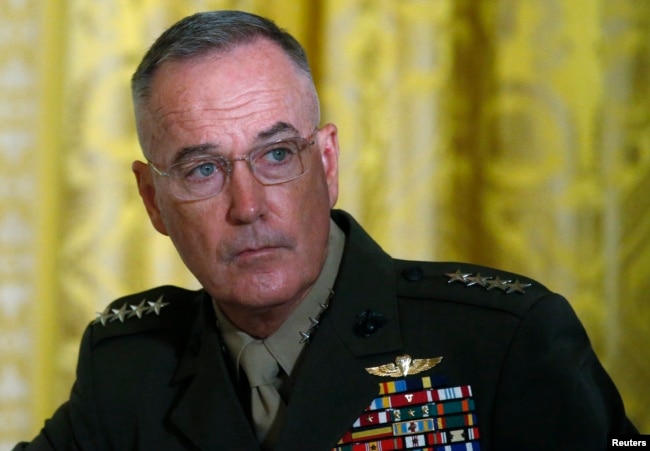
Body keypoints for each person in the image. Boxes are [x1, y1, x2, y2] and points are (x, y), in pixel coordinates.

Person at [15, 10, 638, 451]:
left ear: (329, 163)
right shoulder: (128, 366)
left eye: (278, 154)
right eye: (203, 169)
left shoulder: (503, 339)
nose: (248, 205)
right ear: (153, 200)